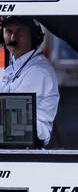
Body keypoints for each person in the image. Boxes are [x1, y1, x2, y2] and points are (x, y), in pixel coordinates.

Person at [1, 16, 59, 147]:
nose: (12, 38)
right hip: (13, 141)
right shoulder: (15, 67)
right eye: (8, 32)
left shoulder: (38, 71)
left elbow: (12, 116)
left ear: (33, 36)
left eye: (19, 32)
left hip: (26, 145)